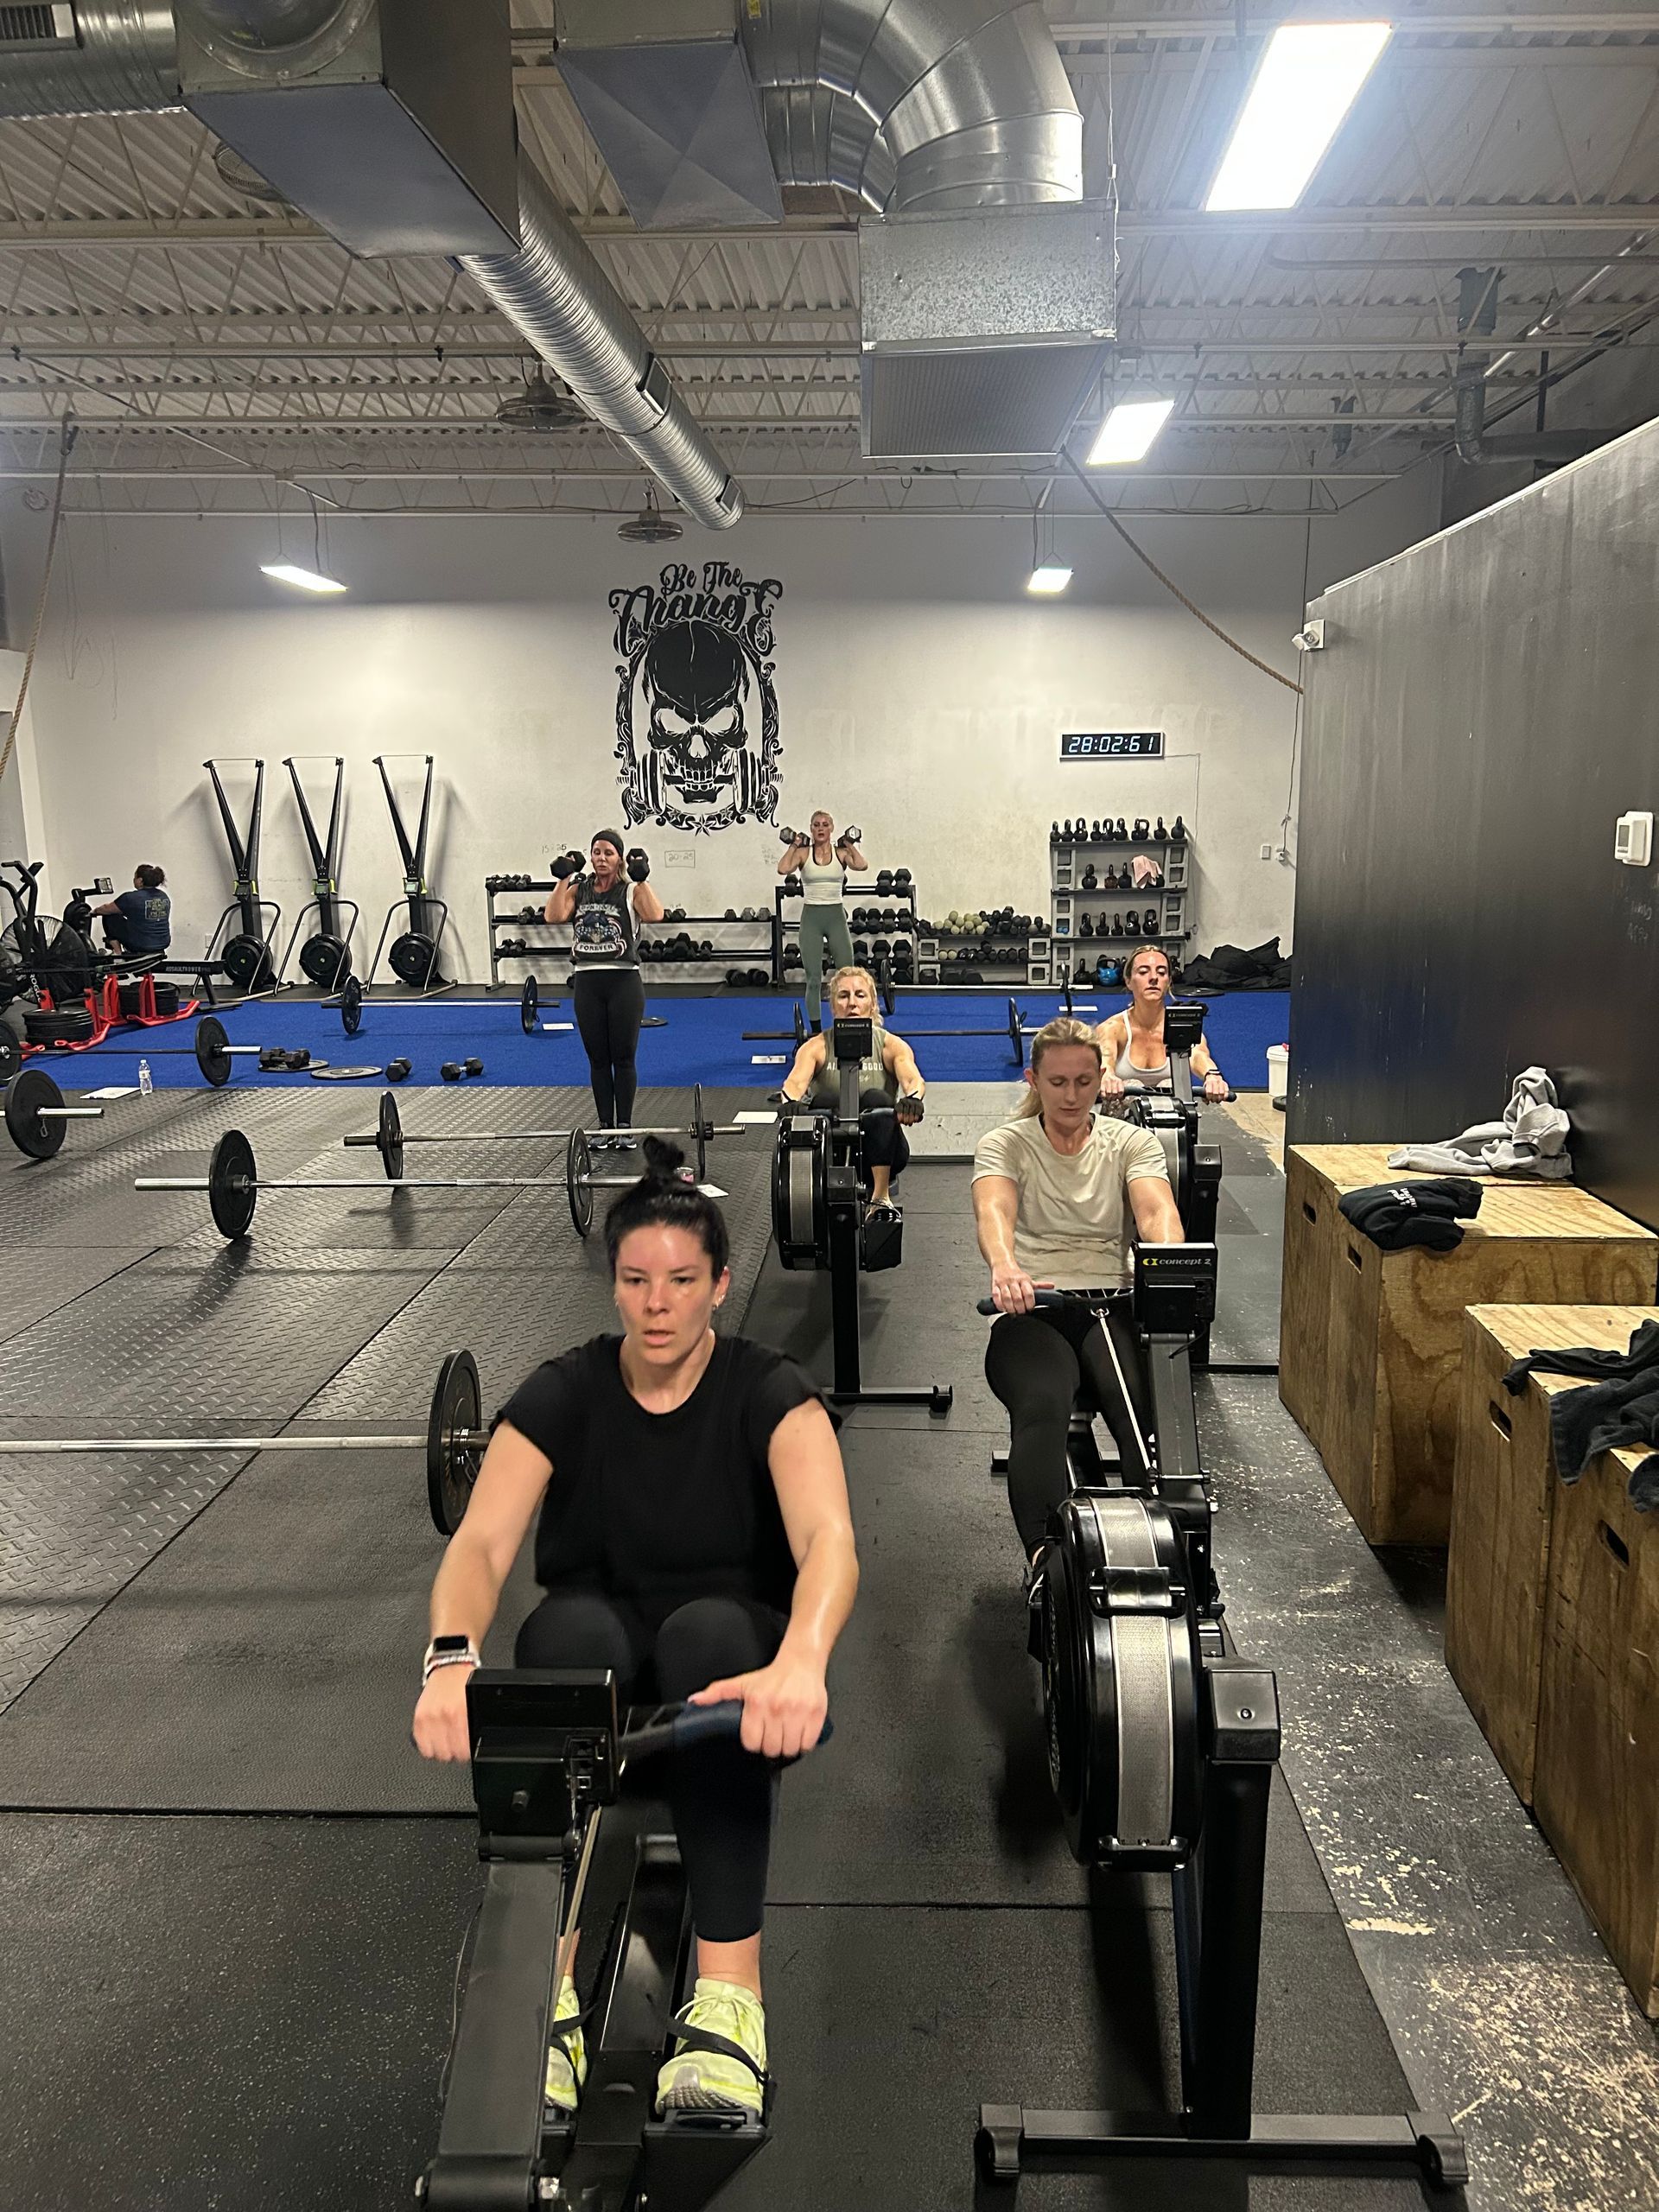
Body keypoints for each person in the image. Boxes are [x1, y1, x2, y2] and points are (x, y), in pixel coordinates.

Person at [413, 1140, 857, 2120]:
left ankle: (732, 1998)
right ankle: (550, 1988)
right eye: (636, 1279)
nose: (658, 1303)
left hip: (723, 1667)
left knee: (709, 1640)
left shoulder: (768, 1388)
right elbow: (483, 1544)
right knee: (563, 1642)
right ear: (613, 1284)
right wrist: (451, 1659)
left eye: (683, 1281)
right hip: (603, 1664)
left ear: (719, 1284)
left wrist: (803, 1661)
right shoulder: (563, 1391)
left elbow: (830, 1540)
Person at [971, 1017, 1185, 1573]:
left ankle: (1176, 1557)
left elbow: (1157, 1210)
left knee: (1142, 1419)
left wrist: (1168, 1263)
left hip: (1109, 1306)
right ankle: (1047, 1565)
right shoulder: (1006, 1144)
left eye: (1084, 1082)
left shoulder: (1130, 1142)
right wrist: (1005, 1267)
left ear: (1100, 1079)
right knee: (1044, 1407)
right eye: (1059, 1082)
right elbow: (994, 1210)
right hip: (1033, 1309)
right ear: (1033, 1080)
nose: (1072, 1095)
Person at [546, 830, 664, 1147]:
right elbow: (554, 916)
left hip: (623, 981)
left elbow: (655, 914)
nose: (601, 858)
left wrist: (643, 879)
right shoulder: (578, 889)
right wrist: (563, 877)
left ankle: (623, 1127)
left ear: (620, 859)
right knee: (598, 1059)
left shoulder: (630, 891)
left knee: (623, 1057)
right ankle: (604, 1127)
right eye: (596, 852)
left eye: (608, 853)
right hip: (587, 981)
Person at [776, 963, 925, 1212]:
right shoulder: (816, 1047)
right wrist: (789, 1101)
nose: (852, 1004)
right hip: (829, 1152)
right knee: (821, 1103)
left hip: (881, 1150)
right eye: (843, 996)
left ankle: (880, 1199)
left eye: (860, 995)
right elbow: (795, 1082)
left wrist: (913, 1098)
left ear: (873, 1004)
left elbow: (912, 1079)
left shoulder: (891, 1045)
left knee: (877, 1100)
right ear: (833, 1006)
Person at [1095, 943, 1230, 1104]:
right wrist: (1108, 1076)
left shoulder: (1183, 1027)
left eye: (1161, 972)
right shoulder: (1113, 1028)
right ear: (1128, 981)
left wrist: (1212, 1076)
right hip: (1123, 1121)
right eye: (1144, 972)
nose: (1153, 978)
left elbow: (1198, 1055)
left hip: (1171, 1120)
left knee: (1170, 1087)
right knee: (1133, 1086)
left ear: (1169, 982)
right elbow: (1105, 1058)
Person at [778, 811, 862, 1018]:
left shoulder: (840, 853)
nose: (821, 829)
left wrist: (849, 844)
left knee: (847, 975)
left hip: (835, 918)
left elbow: (861, 865)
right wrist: (795, 844)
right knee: (814, 979)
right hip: (812, 919)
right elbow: (783, 869)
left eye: (825, 824)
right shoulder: (803, 853)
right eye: (816, 825)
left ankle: (846, 1024)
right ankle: (816, 1033)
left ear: (831, 828)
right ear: (811, 829)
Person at [93, 865, 171, 959]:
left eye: (135, 877)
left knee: (109, 916)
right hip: (162, 944)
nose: (134, 880)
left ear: (140, 880)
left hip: (139, 945)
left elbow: (106, 909)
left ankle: (117, 954)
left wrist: (94, 911)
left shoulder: (131, 898)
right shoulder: (164, 897)